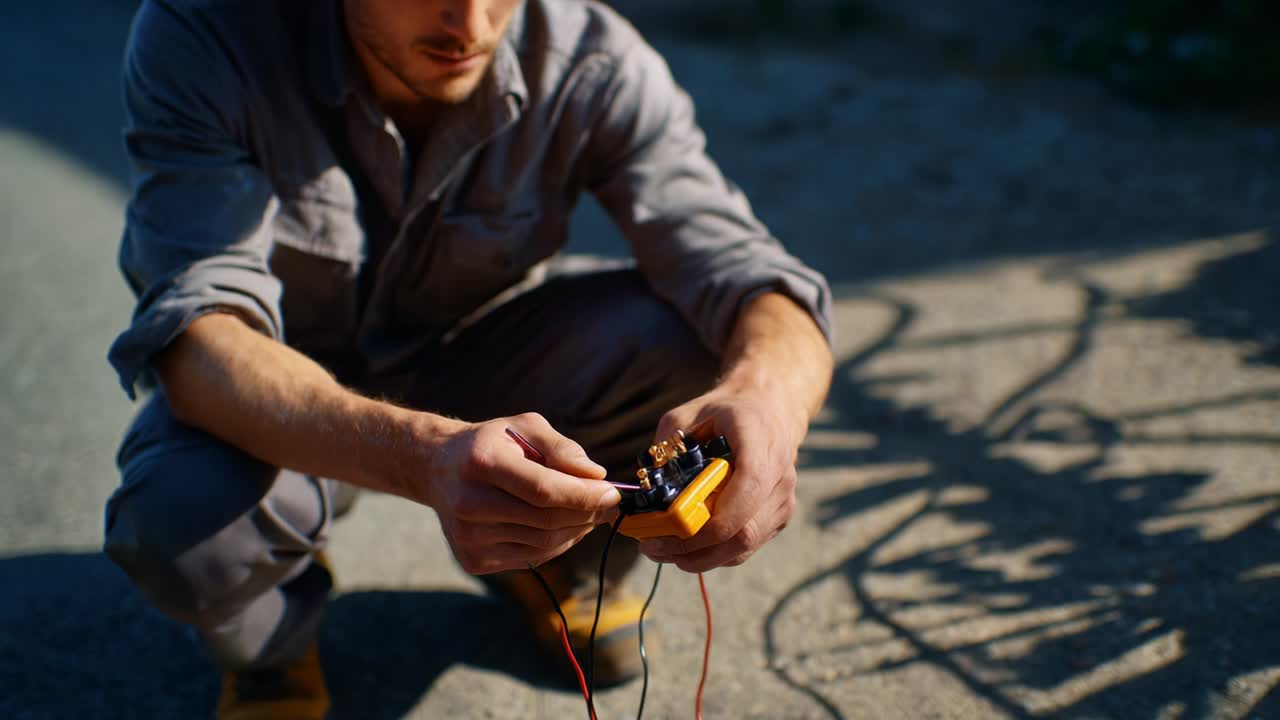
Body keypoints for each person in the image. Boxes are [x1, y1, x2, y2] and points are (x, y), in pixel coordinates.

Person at [101, 0, 834, 717]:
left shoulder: (594, 58)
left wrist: (769, 402)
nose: (472, 25)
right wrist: (424, 456)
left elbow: (746, 270)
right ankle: (269, 642)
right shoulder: (205, 34)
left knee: (700, 337)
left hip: (480, 361)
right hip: (281, 396)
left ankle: (549, 555)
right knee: (183, 524)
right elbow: (200, 338)